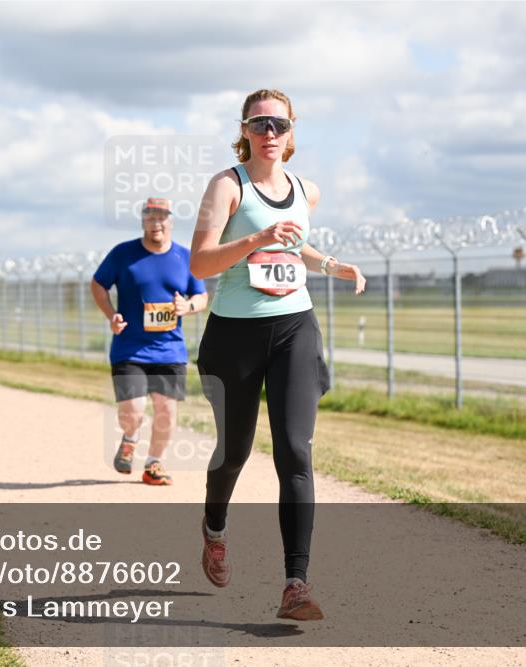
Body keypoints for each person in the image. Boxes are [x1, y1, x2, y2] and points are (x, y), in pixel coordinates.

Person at [188, 89, 366, 620]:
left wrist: (333, 264)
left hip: (294, 328)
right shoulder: (227, 186)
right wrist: (256, 237)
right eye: (260, 123)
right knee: (234, 453)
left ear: (292, 133)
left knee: (295, 451)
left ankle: (296, 583)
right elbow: (200, 263)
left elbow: (295, 246)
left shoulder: (306, 190)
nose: (270, 132)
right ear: (244, 129)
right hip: (234, 335)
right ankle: (214, 529)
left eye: (279, 124)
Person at [91, 197, 208, 486]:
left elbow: (201, 296)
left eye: (162, 217)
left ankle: (154, 464)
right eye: (150, 217)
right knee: (134, 410)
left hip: (170, 349)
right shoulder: (123, 254)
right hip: (129, 346)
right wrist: (112, 315)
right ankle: (130, 437)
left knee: (167, 412)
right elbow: (98, 284)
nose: (156, 223)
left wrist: (187, 307)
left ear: (170, 221)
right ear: (143, 220)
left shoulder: (184, 257)